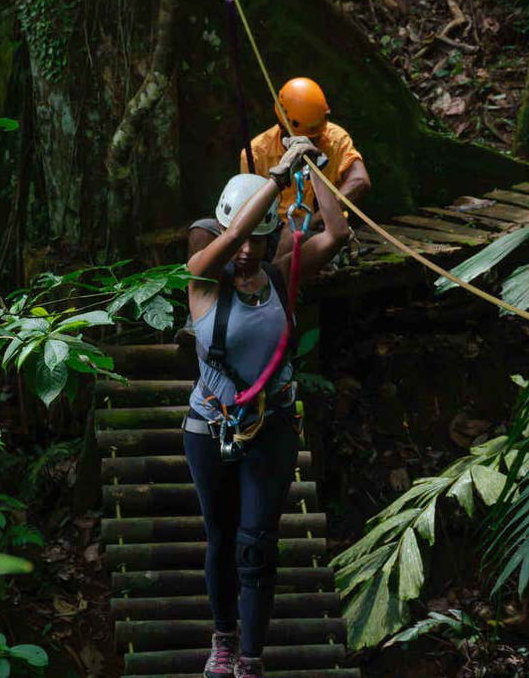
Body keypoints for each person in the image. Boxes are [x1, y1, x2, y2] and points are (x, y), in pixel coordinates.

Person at [183, 136, 348, 678]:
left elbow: (337, 233)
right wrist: (277, 176)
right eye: (242, 239)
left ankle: (249, 660)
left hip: (270, 425)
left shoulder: (281, 276)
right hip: (210, 425)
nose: (249, 249)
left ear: (271, 234)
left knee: (256, 543)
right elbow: (229, 236)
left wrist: (315, 171)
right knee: (221, 537)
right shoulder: (202, 278)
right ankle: (223, 640)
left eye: (260, 238)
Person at [188, 77, 371, 260]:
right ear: (283, 125)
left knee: (290, 235)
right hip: (266, 226)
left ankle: (274, 280)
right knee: (201, 231)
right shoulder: (257, 151)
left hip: (313, 228)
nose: (311, 142)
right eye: (305, 138)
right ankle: (204, 285)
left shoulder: (334, 138)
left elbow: (360, 180)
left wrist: (314, 219)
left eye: (315, 138)